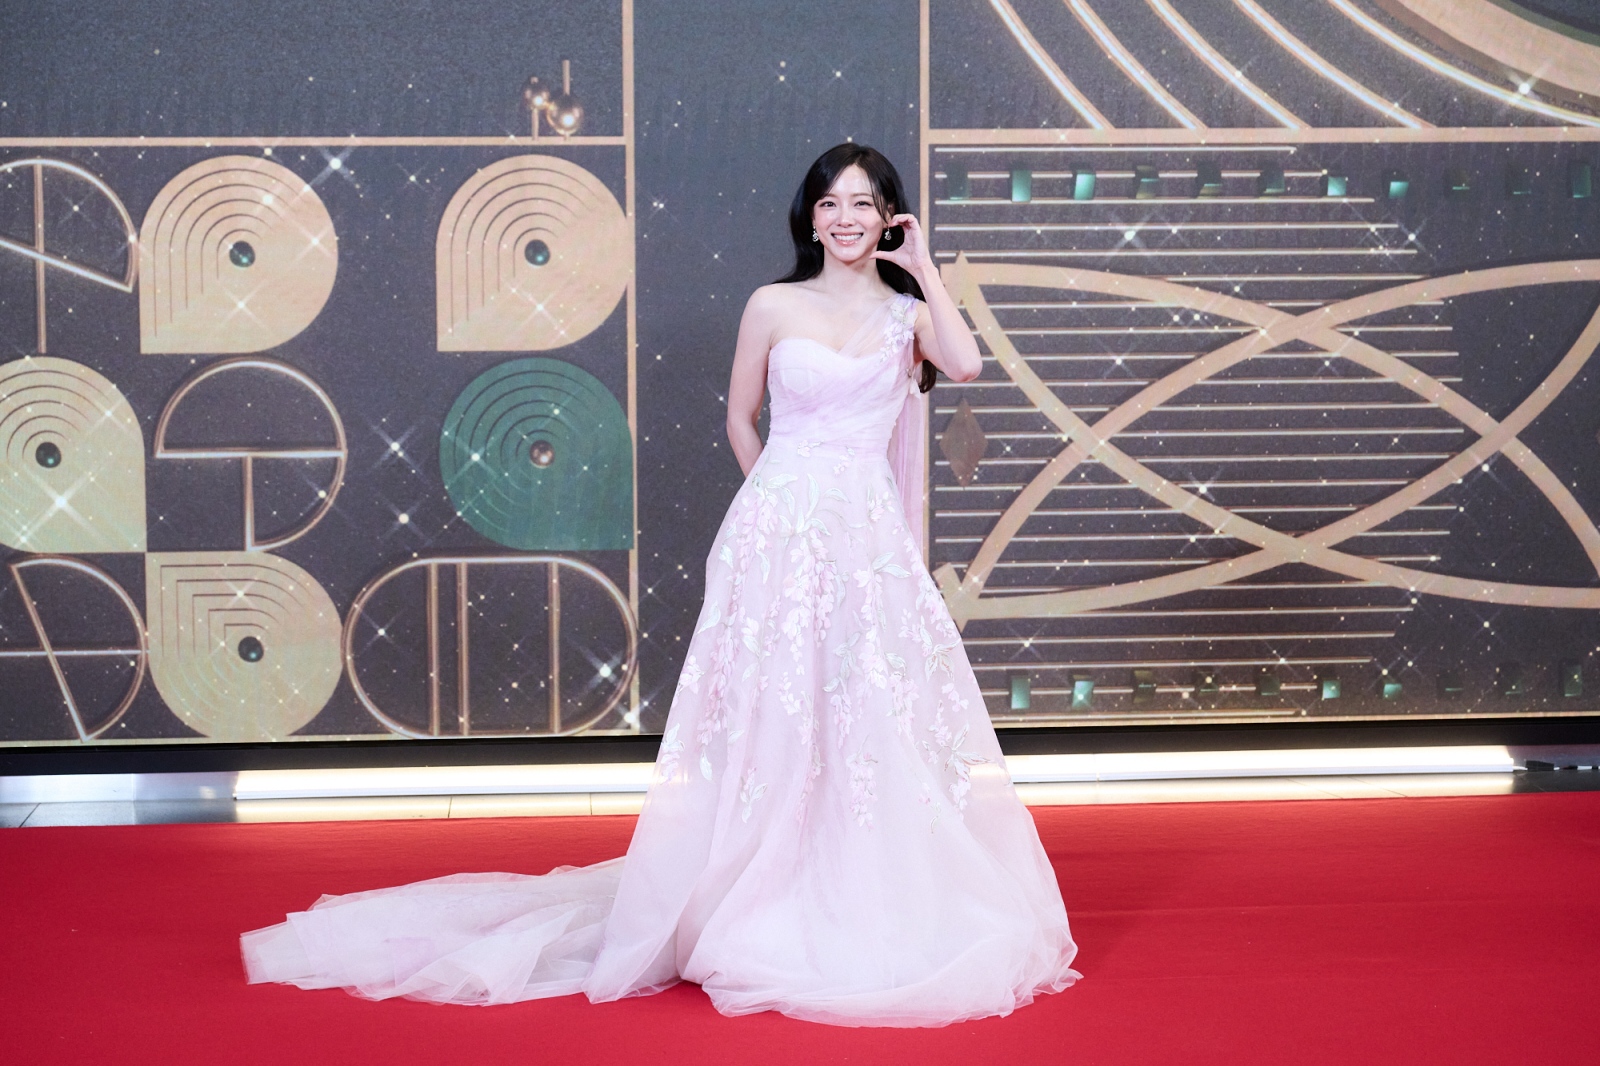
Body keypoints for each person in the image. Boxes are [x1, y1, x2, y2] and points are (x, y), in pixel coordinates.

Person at [241, 144, 1080, 1028]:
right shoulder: (773, 304)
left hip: (867, 547)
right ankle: (752, 886)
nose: (846, 218)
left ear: (889, 217)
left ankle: (857, 884)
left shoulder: (907, 316)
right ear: (811, 215)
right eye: (831, 202)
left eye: (864, 204)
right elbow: (739, 417)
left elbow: (967, 365)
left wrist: (926, 270)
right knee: (773, 713)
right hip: (776, 539)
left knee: (865, 713)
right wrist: (774, 505)